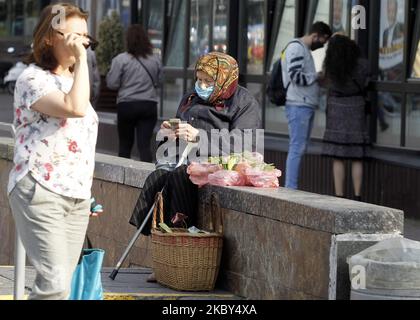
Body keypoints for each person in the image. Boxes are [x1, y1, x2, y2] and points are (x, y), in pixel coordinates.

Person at [129, 52, 261, 281]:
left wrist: (200, 136)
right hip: (187, 158)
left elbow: (244, 143)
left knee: (181, 177)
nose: (202, 86)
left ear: (224, 79)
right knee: (157, 178)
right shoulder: (191, 97)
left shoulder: (244, 102)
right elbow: (175, 134)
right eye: (199, 79)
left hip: (223, 164)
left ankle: (182, 250)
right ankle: (164, 252)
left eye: (208, 81)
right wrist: (171, 133)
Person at [7, 4, 99, 300]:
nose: (83, 44)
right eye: (76, 38)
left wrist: (83, 189)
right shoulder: (32, 79)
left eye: (87, 39)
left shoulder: (74, 81)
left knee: (63, 287)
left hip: (76, 195)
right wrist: (83, 60)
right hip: (40, 189)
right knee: (54, 283)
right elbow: (75, 109)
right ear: (50, 37)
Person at [282, 21, 332, 190]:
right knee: (297, 147)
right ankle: (291, 188)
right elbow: (296, 76)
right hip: (298, 104)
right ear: (315, 35)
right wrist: (316, 76)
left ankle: (291, 187)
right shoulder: (297, 48)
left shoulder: (304, 50)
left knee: (299, 147)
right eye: (322, 41)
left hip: (304, 104)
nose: (322, 45)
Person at [321, 35, 371, 201]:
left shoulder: (331, 67)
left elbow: (326, 83)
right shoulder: (363, 64)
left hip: (337, 108)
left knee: (338, 156)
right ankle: (358, 195)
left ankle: (339, 195)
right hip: (357, 106)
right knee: (357, 156)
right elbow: (366, 84)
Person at [106, 24, 162, 162]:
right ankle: (147, 178)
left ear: (128, 40)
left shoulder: (120, 60)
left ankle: (121, 179)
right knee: (145, 146)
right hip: (149, 105)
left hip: (127, 105)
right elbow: (160, 81)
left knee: (125, 145)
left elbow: (111, 83)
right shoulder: (155, 59)